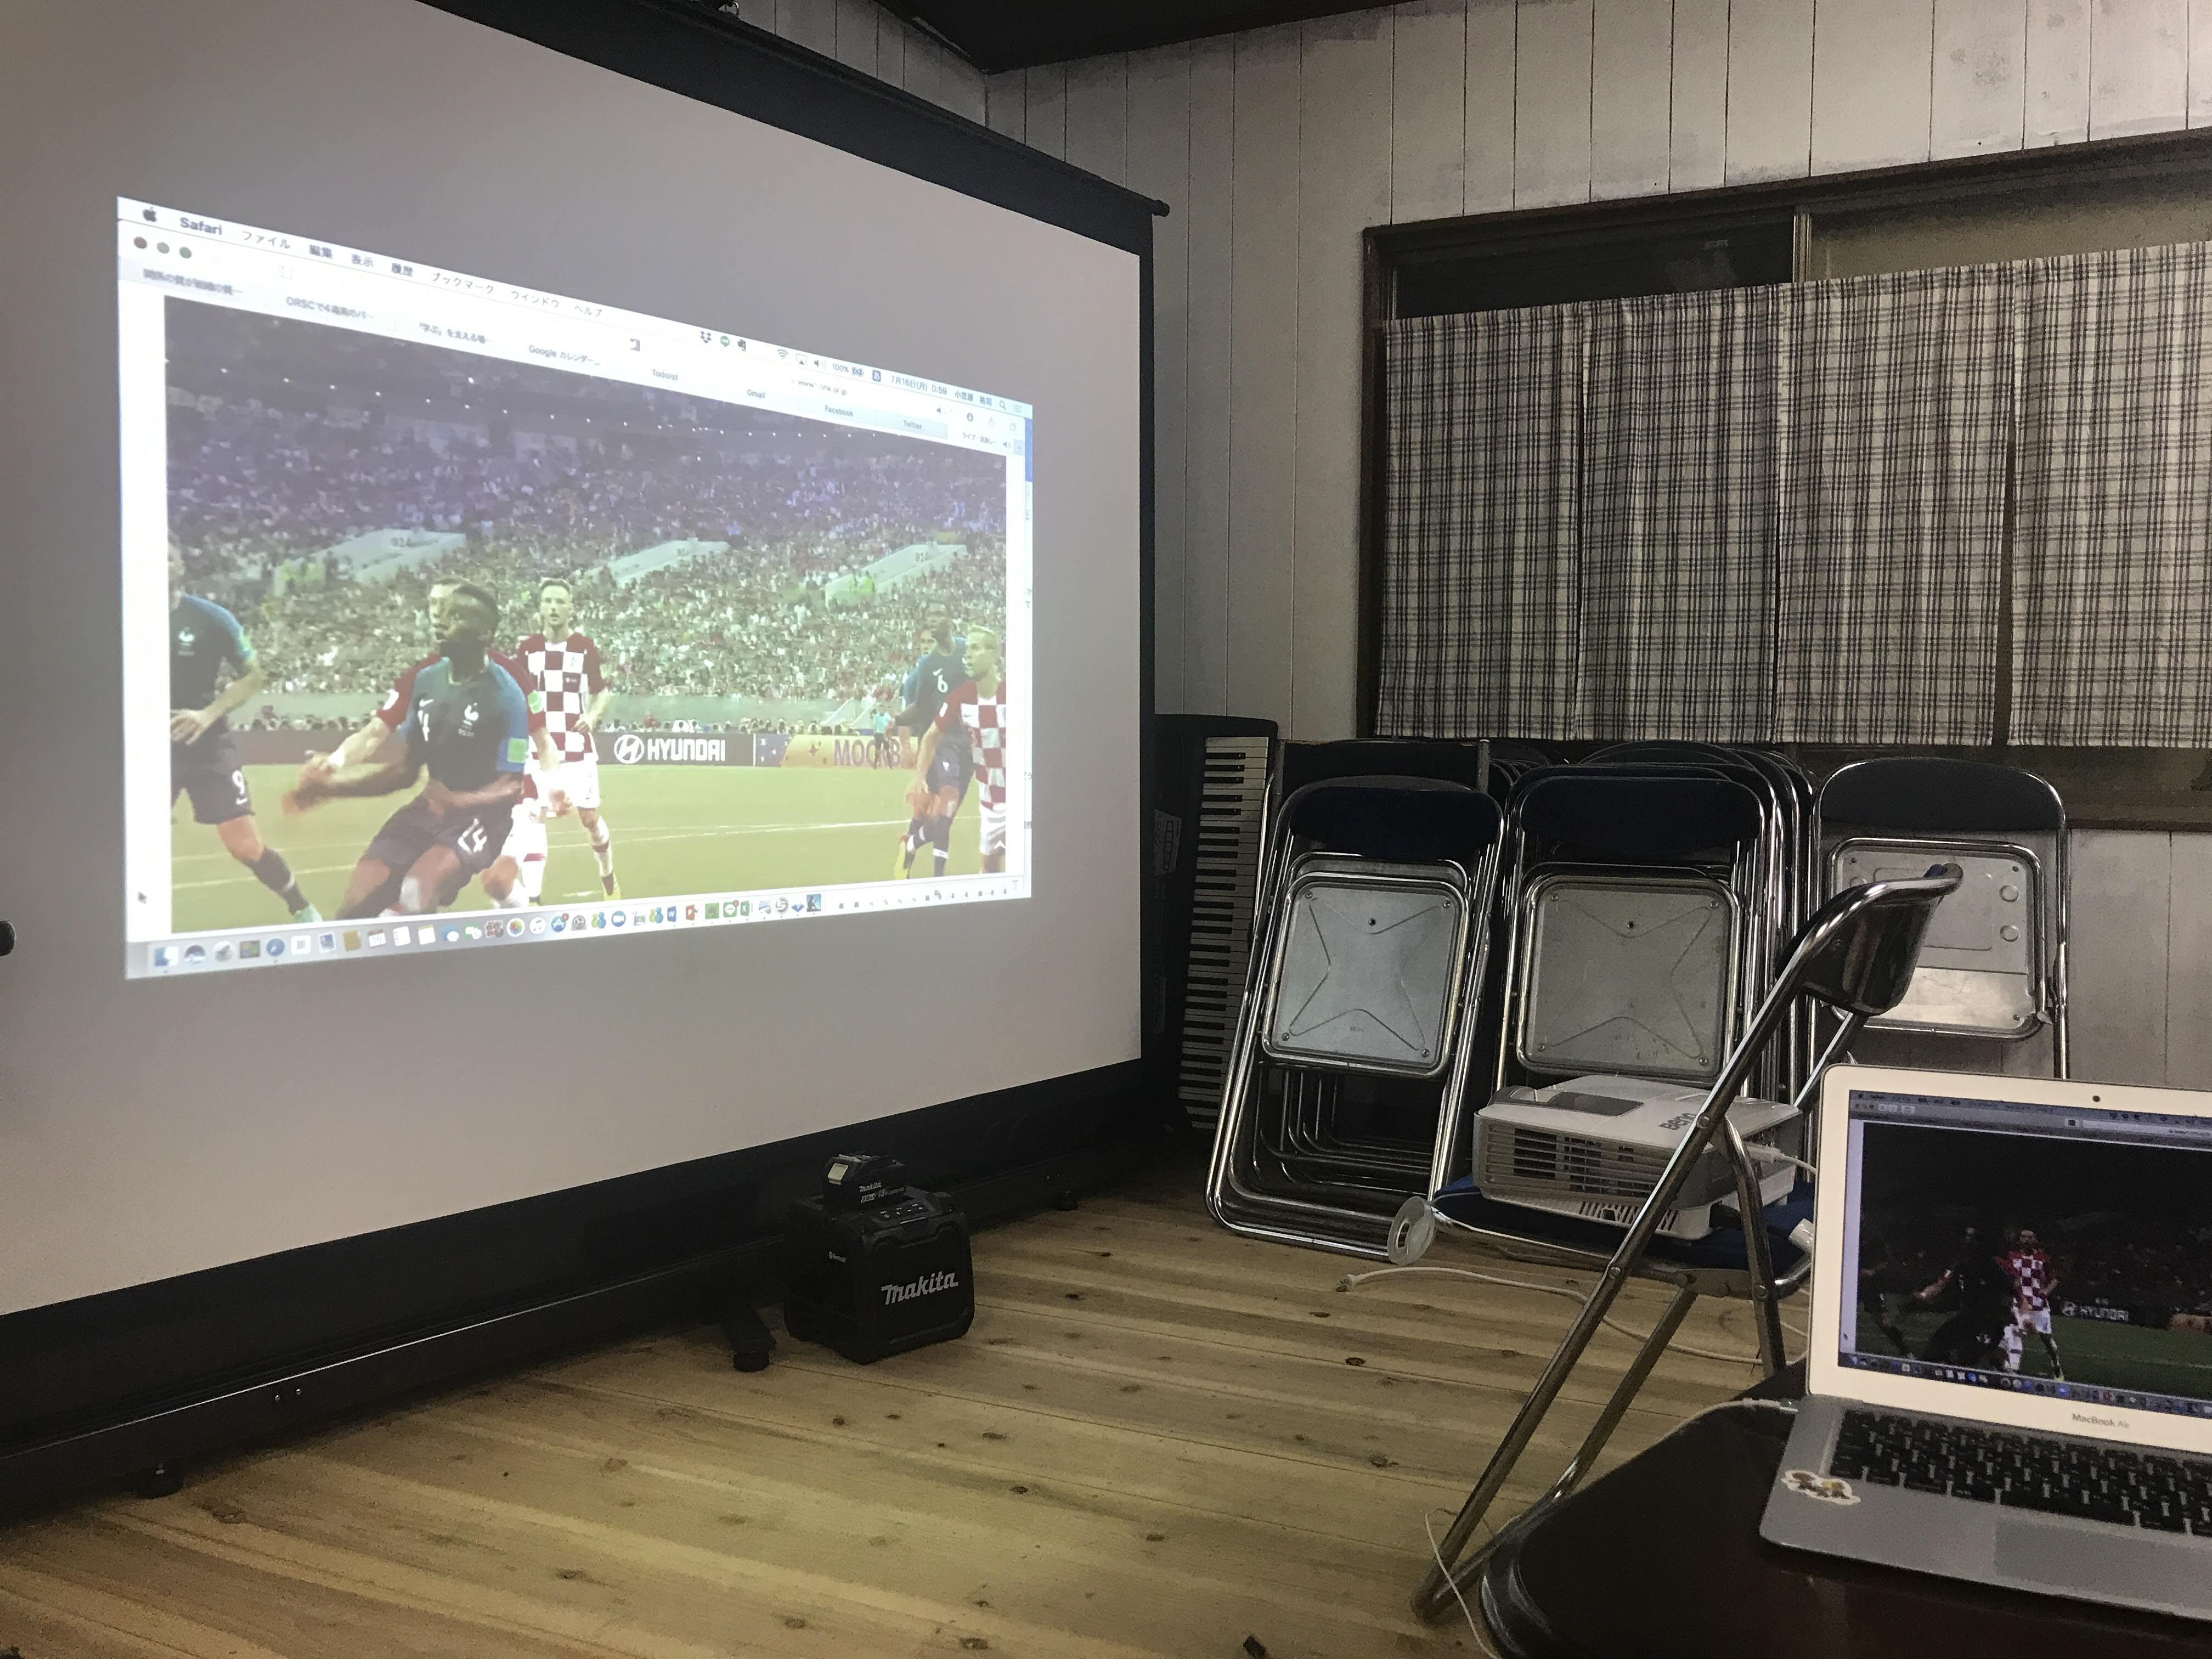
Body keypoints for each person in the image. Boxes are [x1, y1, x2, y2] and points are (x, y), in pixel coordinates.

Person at [283, 583, 529, 918]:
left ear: (485, 633)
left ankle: (427, 953)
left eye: (457, 616)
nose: (442, 622)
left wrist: (459, 801)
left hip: (482, 819)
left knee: (417, 890)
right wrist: (331, 789)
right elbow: (405, 771)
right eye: (442, 614)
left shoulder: (506, 696)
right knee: (359, 897)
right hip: (429, 809)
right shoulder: (426, 682)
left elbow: (512, 786)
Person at [168, 546, 319, 923]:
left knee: (246, 846)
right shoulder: (123, 617)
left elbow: (254, 675)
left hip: (205, 745)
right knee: (128, 844)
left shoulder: (210, 617)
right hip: (144, 749)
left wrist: (208, 714)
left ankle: (302, 908)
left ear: (181, 565)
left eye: (168, 557)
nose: (161, 564)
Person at [515, 578, 620, 899]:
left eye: (560, 601)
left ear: (571, 608)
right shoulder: (528, 649)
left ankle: (608, 876)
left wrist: (592, 716)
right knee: (535, 817)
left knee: (589, 819)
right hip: (538, 748)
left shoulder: (584, 647)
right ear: (540, 608)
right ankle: (534, 899)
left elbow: (602, 691)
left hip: (575, 747)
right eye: (548, 601)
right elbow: (517, 693)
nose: (553, 608)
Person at [1915, 1224, 2015, 1369]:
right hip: (1967, 1317)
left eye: (1971, 1240)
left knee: (1967, 1356)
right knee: (1935, 1348)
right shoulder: (1962, 1265)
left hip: (1989, 1322)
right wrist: (1924, 1295)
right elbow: (1942, 1283)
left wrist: (2004, 1315)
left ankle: (2005, 1371)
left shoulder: (1993, 1268)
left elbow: (2008, 1291)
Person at [1999, 1227, 2066, 1379]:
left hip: (2038, 1304)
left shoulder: (2043, 1259)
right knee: (2015, 1332)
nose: (2027, 1240)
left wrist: (2046, 1292)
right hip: (2019, 1302)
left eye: (2030, 1238)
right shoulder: (2012, 1257)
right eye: (2024, 1237)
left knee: (2046, 1339)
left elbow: (2054, 1278)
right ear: (2019, 1239)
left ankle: (2056, 1364)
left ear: (2035, 1240)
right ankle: (2013, 1368)